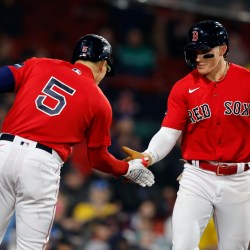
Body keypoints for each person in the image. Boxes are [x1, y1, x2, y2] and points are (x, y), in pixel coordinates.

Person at [0, 34, 155, 250]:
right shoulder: (100, 101)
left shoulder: (39, 64)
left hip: (4, 151)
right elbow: (98, 159)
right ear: (103, 65)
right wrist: (127, 168)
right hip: (41, 164)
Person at [124, 20, 250, 249]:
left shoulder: (247, 82)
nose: (198, 59)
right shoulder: (183, 87)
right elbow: (169, 132)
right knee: (182, 245)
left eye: (205, 53)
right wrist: (148, 156)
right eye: (194, 53)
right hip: (198, 176)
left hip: (240, 179)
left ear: (223, 50)